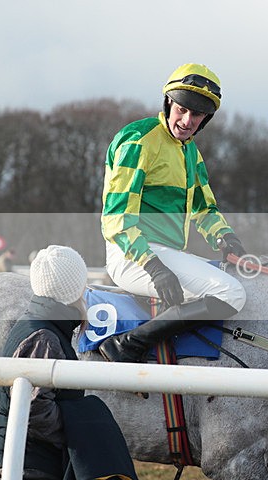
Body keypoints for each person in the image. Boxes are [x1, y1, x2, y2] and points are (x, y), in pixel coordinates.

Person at [99, 63, 247, 364]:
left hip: (165, 253)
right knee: (232, 294)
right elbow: (116, 218)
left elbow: (204, 208)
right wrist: (153, 266)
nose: (187, 120)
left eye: (197, 115)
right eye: (181, 109)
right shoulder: (138, 140)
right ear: (168, 103)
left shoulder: (191, 151)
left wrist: (225, 237)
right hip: (132, 256)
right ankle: (127, 344)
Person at [0, 246, 135, 480]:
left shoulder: (41, 326)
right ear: (72, 288)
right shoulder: (44, 337)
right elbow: (36, 412)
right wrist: (84, 430)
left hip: (25, 472)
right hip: (26, 477)